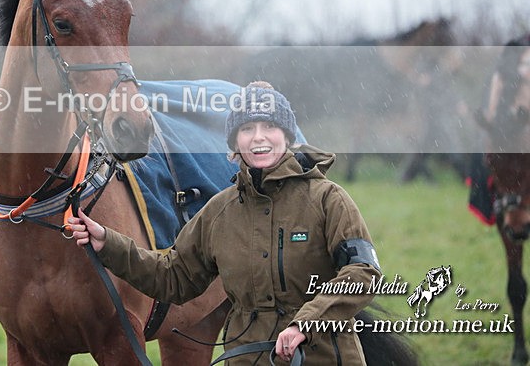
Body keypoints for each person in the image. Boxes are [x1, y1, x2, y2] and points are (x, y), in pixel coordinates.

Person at [69, 81, 382, 365]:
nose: (258, 137)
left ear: (286, 135)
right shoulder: (219, 210)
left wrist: (305, 323)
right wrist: (108, 243)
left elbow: (364, 273)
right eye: (247, 129)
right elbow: (174, 278)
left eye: (269, 126)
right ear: (234, 141)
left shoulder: (329, 199)